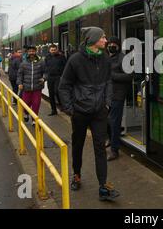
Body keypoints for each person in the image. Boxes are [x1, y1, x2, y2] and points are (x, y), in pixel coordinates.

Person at [58, 27, 119, 201]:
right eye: (103, 37)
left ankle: (103, 187)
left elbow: (109, 82)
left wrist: (107, 103)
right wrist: (70, 109)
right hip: (80, 113)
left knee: (100, 148)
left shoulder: (105, 59)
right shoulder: (75, 60)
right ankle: (76, 175)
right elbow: (64, 86)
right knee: (77, 146)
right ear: (93, 40)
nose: (106, 40)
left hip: (99, 112)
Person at [106, 36, 132, 161]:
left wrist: (111, 75)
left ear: (118, 45)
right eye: (109, 44)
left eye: (113, 44)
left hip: (118, 95)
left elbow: (129, 76)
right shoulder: (108, 57)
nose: (111, 46)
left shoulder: (124, 58)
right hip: (108, 95)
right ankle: (110, 140)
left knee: (114, 122)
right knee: (108, 121)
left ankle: (114, 150)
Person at [17, 46, 47, 126]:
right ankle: (26, 113)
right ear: (27, 52)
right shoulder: (23, 63)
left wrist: (44, 78)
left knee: (36, 104)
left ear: (35, 52)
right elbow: (20, 74)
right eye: (30, 51)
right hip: (26, 88)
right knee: (26, 103)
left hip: (37, 87)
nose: (31, 53)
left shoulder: (41, 62)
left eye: (33, 51)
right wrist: (19, 83)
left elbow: (46, 72)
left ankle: (34, 120)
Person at [44, 44, 67, 116]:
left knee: (57, 91)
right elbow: (46, 67)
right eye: (52, 50)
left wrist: (63, 76)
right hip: (50, 77)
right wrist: (45, 76)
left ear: (57, 49)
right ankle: (53, 110)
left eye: (54, 50)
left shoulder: (62, 57)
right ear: (49, 50)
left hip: (58, 77)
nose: (53, 51)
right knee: (51, 94)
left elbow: (66, 66)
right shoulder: (47, 57)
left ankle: (62, 106)